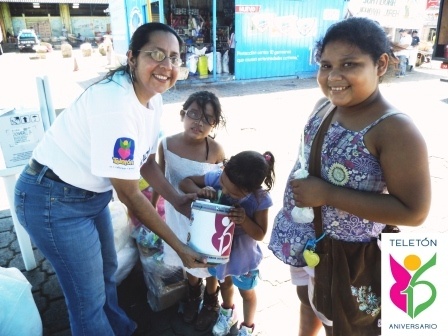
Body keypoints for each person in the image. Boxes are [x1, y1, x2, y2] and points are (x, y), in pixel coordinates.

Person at [14, 22, 208, 336]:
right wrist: (180, 247)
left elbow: (143, 160)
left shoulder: (151, 97)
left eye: (174, 58)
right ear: (132, 57)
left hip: (89, 197)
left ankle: (120, 329)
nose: (167, 66)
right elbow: (131, 195)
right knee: (86, 301)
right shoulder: (115, 105)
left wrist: (176, 198)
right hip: (52, 198)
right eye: (156, 54)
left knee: (106, 274)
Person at [268, 17, 431, 336]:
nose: (334, 76)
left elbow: (415, 212)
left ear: (380, 64)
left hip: (349, 258)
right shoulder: (323, 106)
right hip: (308, 241)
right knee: (309, 301)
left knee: (345, 325)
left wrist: (327, 195)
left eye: (350, 64)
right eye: (326, 65)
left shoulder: (396, 130)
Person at [151, 90, 226, 331]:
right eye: (193, 114)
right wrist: (151, 210)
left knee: (208, 261)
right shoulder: (166, 144)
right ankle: (194, 294)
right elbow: (158, 177)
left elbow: (222, 188)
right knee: (188, 260)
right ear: (182, 114)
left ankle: (212, 300)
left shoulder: (215, 151)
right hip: (177, 215)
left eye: (207, 119)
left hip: (205, 220)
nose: (199, 122)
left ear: (214, 124)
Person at [180, 150, 276, 336]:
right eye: (223, 183)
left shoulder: (260, 200)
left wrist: (245, 220)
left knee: (246, 292)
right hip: (219, 253)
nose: (223, 191)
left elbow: (260, 234)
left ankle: (247, 327)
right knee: (224, 284)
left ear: (249, 190)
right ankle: (227, 312)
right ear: (224, 170)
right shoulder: (217, 178)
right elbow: (185, 182)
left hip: (243, 259)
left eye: (232, 192)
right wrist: (199, 191)